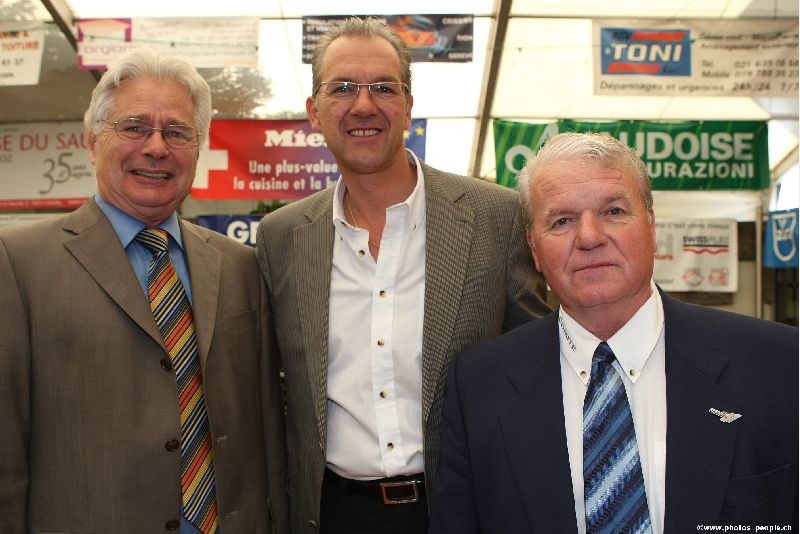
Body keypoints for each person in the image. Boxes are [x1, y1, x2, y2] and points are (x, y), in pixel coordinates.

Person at [255, 16, 549, 534]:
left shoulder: (496, 217)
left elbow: (538, 366)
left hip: (462, 510)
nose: (363, 105)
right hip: (329, 514)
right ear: (314, 111)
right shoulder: (282, 237)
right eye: (342, 88)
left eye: (384, 88)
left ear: (408, 107)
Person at [428, 132, 799, 533]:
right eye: (562, 220)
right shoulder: (478, 386)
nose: (589, 237)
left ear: (651, 226)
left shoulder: (777, 364)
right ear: (534, 249)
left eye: (614, 211)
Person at [0, 47, 287, 533]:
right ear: (93, 141)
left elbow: (266, 431)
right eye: (134, 127)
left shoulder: (241, 266)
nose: (156, 147)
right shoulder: (17, 263)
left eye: (177, 132)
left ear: (197, 149)